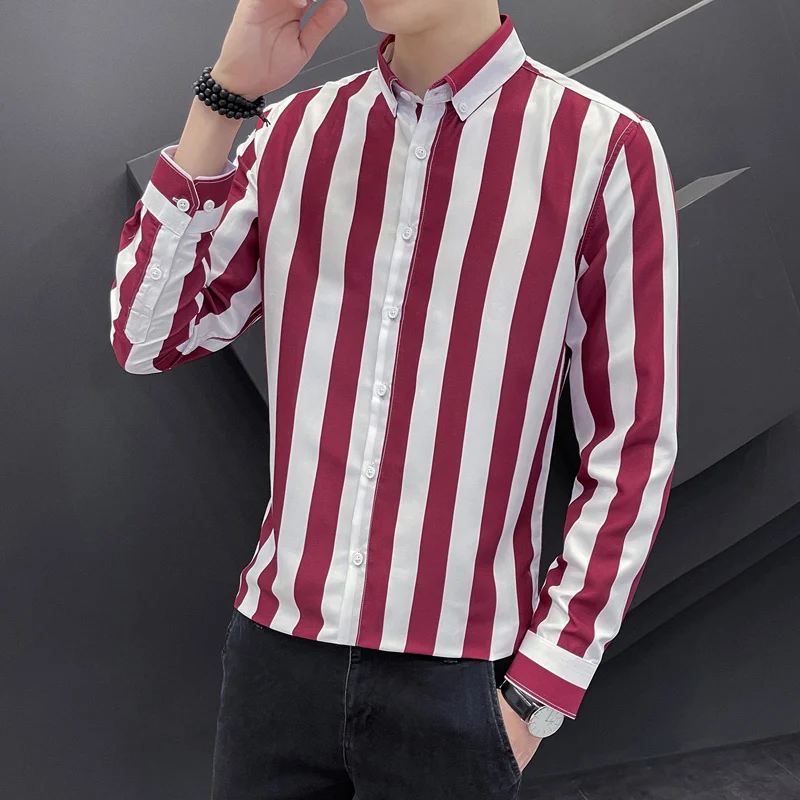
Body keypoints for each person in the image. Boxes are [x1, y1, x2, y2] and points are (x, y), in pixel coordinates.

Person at [109, 0, 679, 797]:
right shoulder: (293, 133)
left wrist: (538, 691)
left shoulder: (600, 147)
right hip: (276, 660)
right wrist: (225, 97)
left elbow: (633, 445)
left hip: (458, 682)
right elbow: (148, 336)